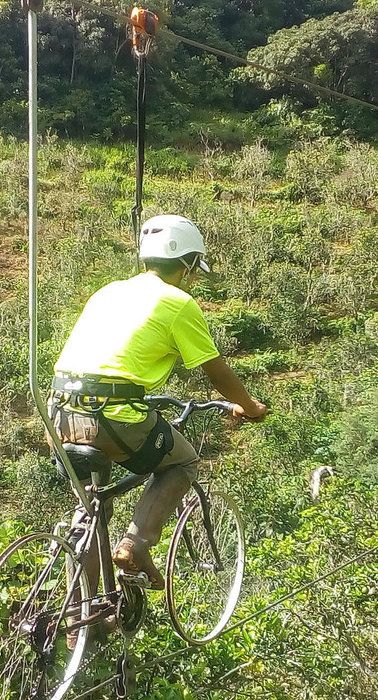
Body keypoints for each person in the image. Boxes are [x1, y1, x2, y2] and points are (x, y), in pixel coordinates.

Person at [48, 214, 267, 594]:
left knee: (90, 511)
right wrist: (249, 406)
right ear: (186, 264)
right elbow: (216, 371)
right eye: (194, 268)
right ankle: (136, 546)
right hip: (109, 414)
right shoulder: (178, 302)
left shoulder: (108, 291)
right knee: (183, 461)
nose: (193, 277)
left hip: (58, 411)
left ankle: (80, 626)